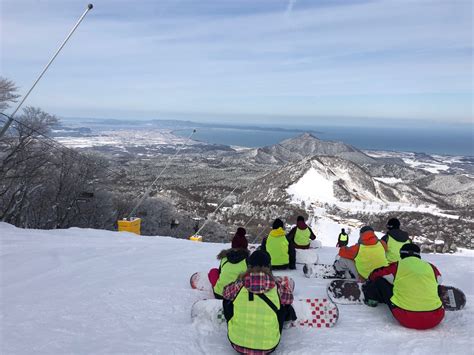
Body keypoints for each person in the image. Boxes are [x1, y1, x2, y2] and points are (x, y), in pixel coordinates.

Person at [222, 250, 296, 354]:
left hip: (237, 344)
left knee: (228, 300)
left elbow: (225, 293)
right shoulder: (277, 286)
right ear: (269, 266)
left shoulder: (240, 284)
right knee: (283, 304)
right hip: (268, 347)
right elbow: (289, 299)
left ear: (249, 266)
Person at [362, 243, 445, 330]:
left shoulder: (396, 266)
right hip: (435, 318)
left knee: (380, 280)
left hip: (406, 318)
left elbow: (375, 274)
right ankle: (431, 301)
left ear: (401, 254)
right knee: (436, 285)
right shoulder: (431, 267)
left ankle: (372, 299)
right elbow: (439, 280)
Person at [208, 227, 249, 299]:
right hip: (236, 296)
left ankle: (218, 287)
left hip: (219, 294)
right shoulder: (248, 260)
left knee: (213, 271)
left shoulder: (224, 258)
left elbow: (220, 273)